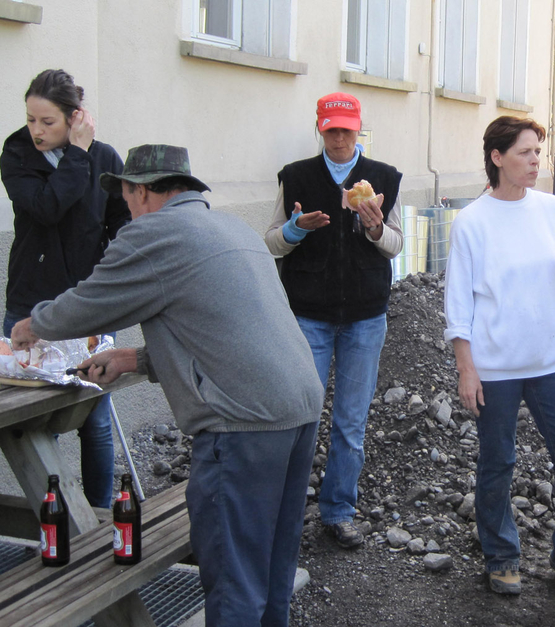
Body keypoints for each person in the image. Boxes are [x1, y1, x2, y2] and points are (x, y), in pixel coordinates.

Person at [11, 144, 324, 627]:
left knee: (235, 580)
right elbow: (223, 332)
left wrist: (34, 325)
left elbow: (89, 304)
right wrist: (135, 359)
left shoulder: (154, 233)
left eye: (125, 197)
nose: (126, 209)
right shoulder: (230, 227)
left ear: (140, 191)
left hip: (244, 423)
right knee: (271, 570)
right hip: (298, 408)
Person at [444, 116, 555, 597]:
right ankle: (501, 556)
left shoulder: (551, 209)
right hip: (495, 367)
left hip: (551, 359)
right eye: (525, 153)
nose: (536, 161)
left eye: (538, 152)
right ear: (497, 157)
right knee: (497, 462)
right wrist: (466, 369)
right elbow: (458, 305)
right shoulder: (472, 222)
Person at [264, 92, 402, 550]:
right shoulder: (296, 176)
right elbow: (270, 241)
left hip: (365, 315)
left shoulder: (383, 178)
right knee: (299, 414)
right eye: (331, 130)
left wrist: (375, 228)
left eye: (346, 130)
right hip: (309, 315)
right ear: (320, 130)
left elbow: (396, 244)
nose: (339, 138)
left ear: (358, 129)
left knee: (350, 422)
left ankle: (338, 511)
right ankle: (286, 510)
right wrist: (294, 230)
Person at [1, 69, 131, 508]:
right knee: (38, 420)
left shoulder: (105, 157)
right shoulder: (17, 154)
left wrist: (113, 271)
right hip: (31, 303)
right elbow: (47, 207)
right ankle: (54, 518)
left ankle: (100, 515)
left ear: (75, 117)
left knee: (95, 421)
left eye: (47, 121)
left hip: (91, 303)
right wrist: (76, 154)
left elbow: (122, 219)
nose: (36, 130)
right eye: (30, 119)